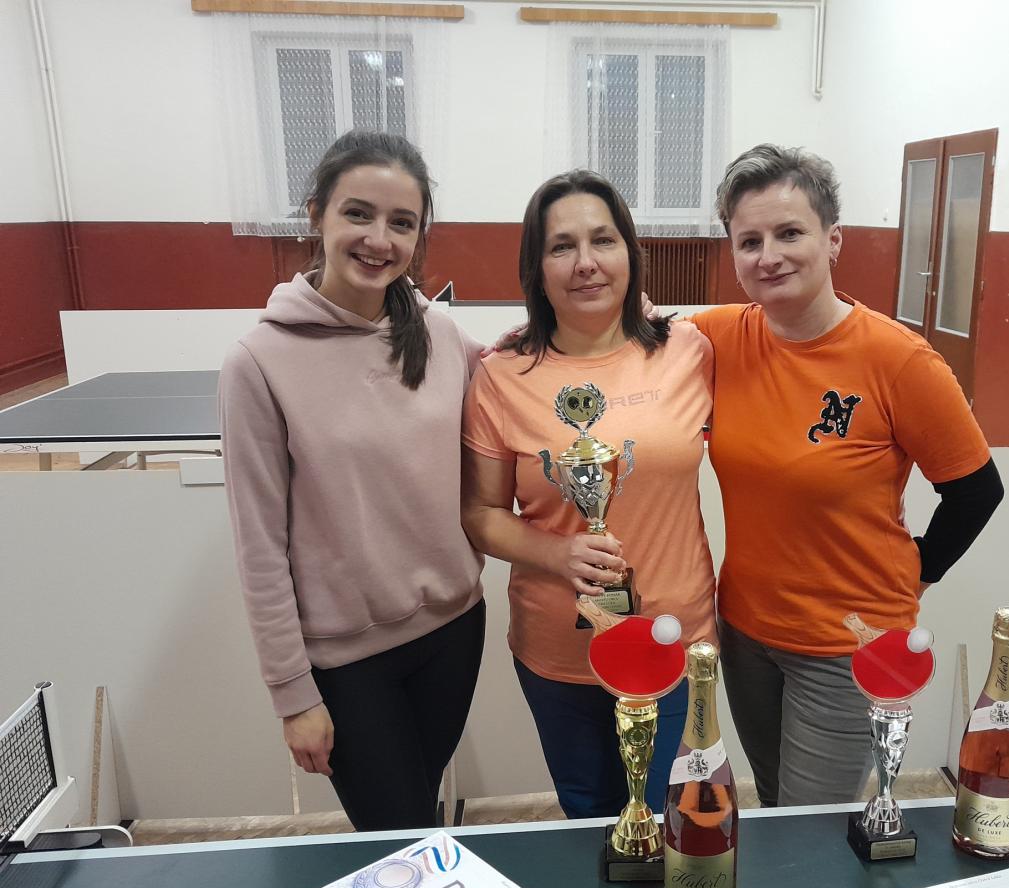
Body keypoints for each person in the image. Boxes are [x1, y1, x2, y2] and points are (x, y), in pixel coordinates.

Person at [684, 144, 1004, 808]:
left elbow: (977, 490)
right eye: (749, 241)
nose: (768, 255)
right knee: (777, 805)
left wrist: (915, 573)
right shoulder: (717, 337)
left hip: (848, 644)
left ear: (833, 240)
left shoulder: (899, 360)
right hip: (745, 633)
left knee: (811, 826)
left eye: (789, 233)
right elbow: (627, 340)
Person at [219, 131, 485, 832]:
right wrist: (292, 694)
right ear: (317, 214)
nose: (379, 239)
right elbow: (260, 547)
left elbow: (529, 371)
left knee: (414, 822)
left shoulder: (441, 334)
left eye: (402, 223)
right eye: (358, 214)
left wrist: (621, 325)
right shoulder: (258, 363)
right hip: (346, 665)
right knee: (397, 836)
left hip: (454, 633)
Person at [460, 170, 715, 819]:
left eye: (603, 240)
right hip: (558, 649)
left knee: (670, 819)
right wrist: (558, 553)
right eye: (561, 246)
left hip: (672, 638)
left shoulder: (689, 350)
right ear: (536, 268)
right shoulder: (501, 375)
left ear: (630, 251)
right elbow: (481, 514)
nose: (585, 262)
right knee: (587, 817)